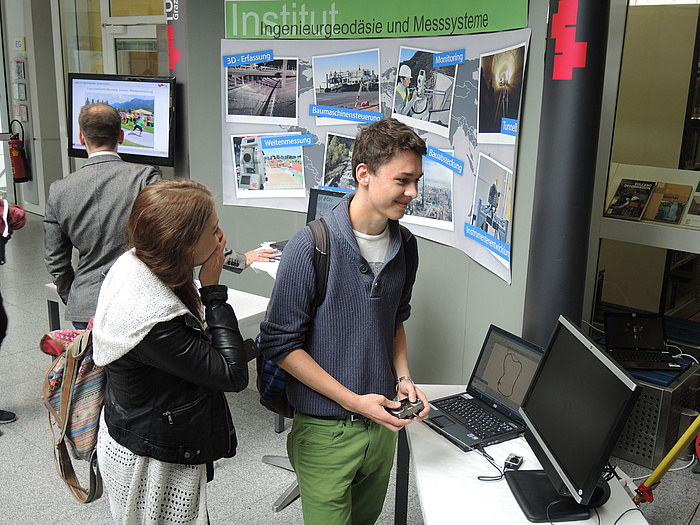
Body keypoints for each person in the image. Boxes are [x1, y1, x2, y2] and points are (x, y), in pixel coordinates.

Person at [258, 117, 430, 524]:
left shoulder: (406, 245)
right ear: (364, 174)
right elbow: (280, 346)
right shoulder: (310, 245)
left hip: (383, 426)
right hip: (325, 432)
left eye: (418, 181)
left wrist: (403, 378)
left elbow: (394, 320)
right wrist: (355, 403)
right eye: (403, 180)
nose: (413, 193)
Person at [93, 178, 249, 524]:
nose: (221, 237)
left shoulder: (135, 260)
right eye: (213, 230)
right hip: (150, 460)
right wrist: (212, 289)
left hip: (138, 424)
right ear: (182, 244)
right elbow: (232, 374)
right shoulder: (153, 320)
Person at [44, 102, 161, 329]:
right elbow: (171, 232)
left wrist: (76, 296)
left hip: (86, 307)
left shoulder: (59, 190)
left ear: (80, 137)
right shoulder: (145, 178)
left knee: (95, 366)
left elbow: (55, 261)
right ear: (121, 135)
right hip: (138, 304)